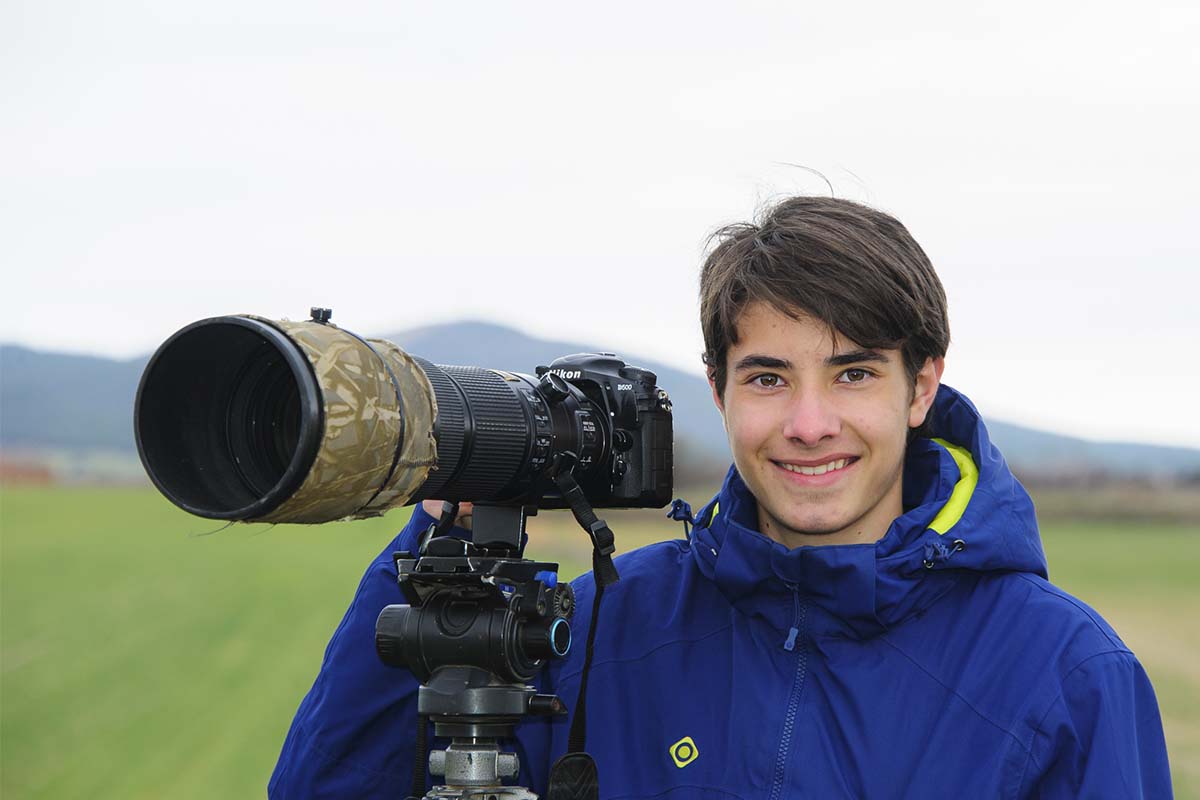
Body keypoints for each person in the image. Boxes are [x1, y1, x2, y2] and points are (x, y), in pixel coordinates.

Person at [269, 196, 1172, 798]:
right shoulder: (595, 630)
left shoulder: (1064, 672)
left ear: (923, 385)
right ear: (719, 388)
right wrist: (429, 552)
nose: (810, 424)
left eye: (853, 373)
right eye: (770, 377)